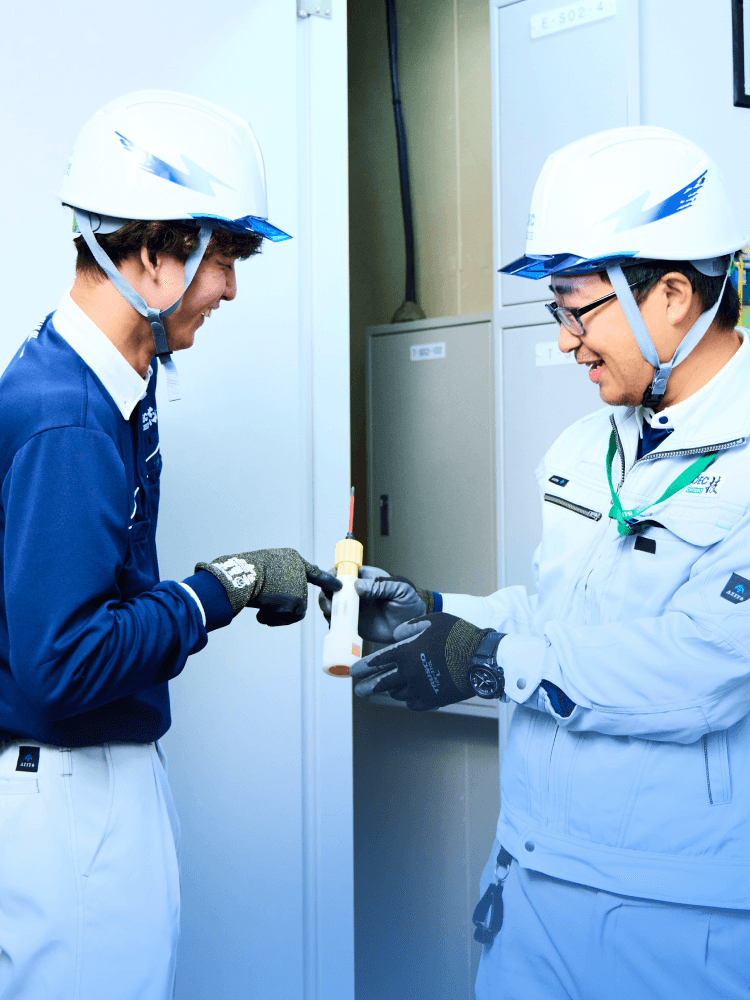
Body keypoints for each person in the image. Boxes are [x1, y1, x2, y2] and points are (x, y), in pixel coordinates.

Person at [340, 127, 750, 998]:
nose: (566, 342)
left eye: (577, 308)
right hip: (530, 877)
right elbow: (557, 620)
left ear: (674, 295)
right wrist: (434, 612)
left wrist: (488, 661)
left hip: (675, 917)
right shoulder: (585, 446)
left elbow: (707, 666)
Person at [0, 90, 339, 1000]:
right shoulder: (70, 416)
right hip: (75, 803)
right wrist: (219, 590)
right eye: (222, 258)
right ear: (153, 253)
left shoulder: (105, 381)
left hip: (84, 791)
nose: (230, 287)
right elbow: (62, 664)